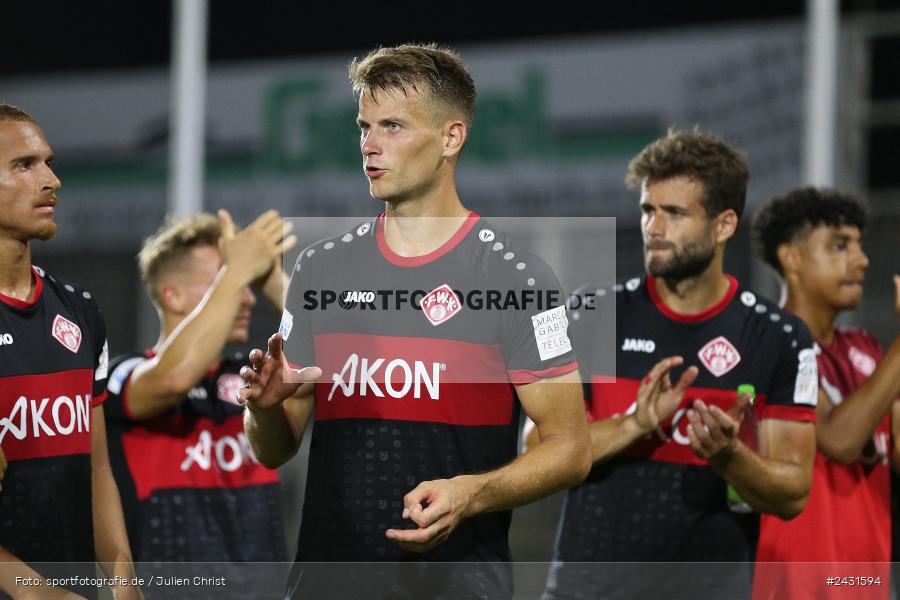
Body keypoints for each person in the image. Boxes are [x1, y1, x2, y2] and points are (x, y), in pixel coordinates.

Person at [239, 43, 592, 599]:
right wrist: (262, 412)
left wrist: (471, 493)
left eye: (394, 127)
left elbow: (571, 449)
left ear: (451, 138)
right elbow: (276, 447)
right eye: (364, 127)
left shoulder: (519, 278)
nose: (370, 146)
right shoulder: (319, 267)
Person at [529, 129, 819, 599]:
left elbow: (793, 493)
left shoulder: (780, 338)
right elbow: (536, 448)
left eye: (674, 213)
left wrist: (729, 456)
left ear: (724, 225)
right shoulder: (587, 314)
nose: (654, 228)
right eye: (648, 210)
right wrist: (634, 423)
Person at [103, 211, 294, 598]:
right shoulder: (123, 375)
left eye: (246, 281)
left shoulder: (253, 380)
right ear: (172, 295)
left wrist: (272, 278)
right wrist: (238, 268)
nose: (246, 297)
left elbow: (340, 360)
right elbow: (175, 377)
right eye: (224, 280)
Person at [0, 103, 140, 599]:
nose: (51, 180)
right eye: (24, 165)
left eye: (49, 163)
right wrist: (33, 591)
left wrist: (122, 577)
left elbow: (97, 467)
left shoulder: (78, 309)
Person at [750, 188, 900, 600]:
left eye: (859, 245)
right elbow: (840, 439)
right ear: (791, 258)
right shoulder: (767, 342)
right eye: (839, 246)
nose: (862, 259)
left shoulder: (868, 349)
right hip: (795, 589)